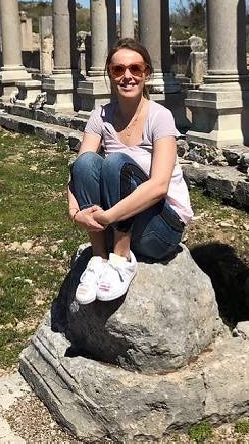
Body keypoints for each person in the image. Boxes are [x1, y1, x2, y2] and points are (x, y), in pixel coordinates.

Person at [67, 38, 194, 304]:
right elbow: (78, 170)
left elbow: (159, 186)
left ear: (146, 73)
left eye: (135, 68)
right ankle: (99, 258)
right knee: (87, 161)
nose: (127, 76)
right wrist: (75, 214)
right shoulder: (100, 116)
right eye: (118, 70)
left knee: (116, 163)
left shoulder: (160, 116)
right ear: (110, 74)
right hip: (114, 224)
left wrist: (107, 217)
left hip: (161, 230)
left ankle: (122, 259)